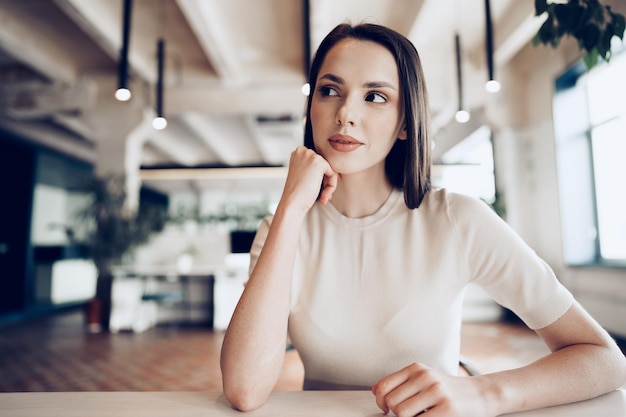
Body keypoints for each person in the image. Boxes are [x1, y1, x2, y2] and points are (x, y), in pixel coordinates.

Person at [220, 23, 626, 416]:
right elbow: (244, 388)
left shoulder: (457, 219)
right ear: (312, 108)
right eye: (330, 91)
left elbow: (605, 360)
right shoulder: (284, 230)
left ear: (404, 123)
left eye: (375, 97)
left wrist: (484, 393)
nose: (345, 114)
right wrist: (290, 209)